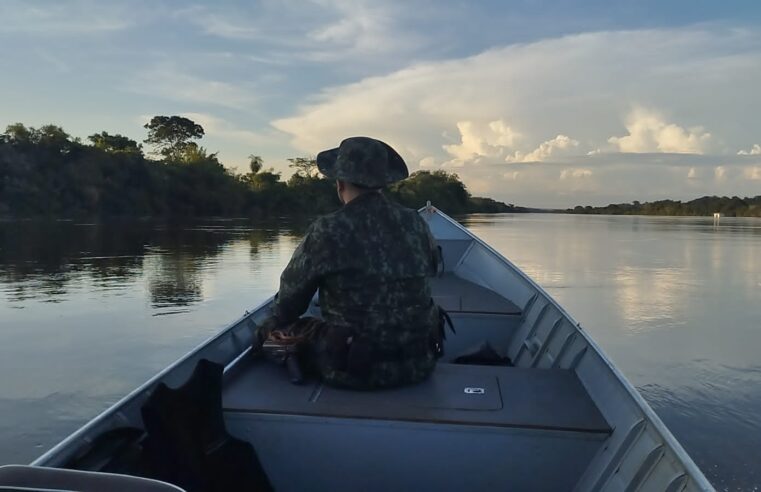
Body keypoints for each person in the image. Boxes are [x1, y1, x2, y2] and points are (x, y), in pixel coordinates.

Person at [257, 136, 442, 390]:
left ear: (339, 183)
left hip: (353, 372)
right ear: (383, 182)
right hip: (419, 363)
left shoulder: (328, 229)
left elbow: (291, 302)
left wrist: (264, 330)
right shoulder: (416, 223)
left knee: (289, 327)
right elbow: (432, 268)